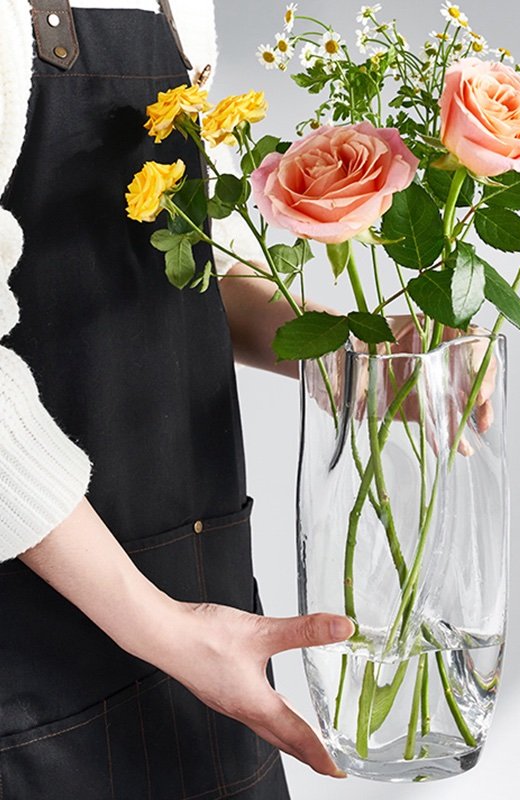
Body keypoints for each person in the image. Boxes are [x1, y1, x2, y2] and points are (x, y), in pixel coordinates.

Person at [0, 1, 356, 796]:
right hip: (43, 664)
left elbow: (195, 270)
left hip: (208, 633)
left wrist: (354, 357)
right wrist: (161, 628)